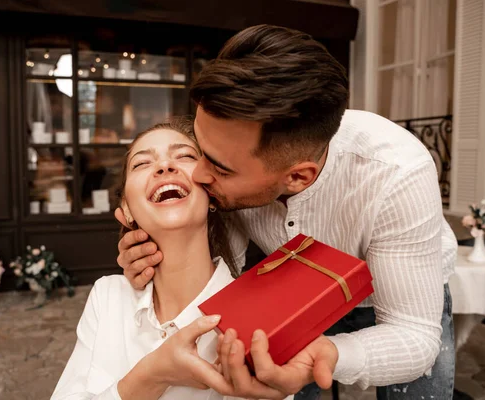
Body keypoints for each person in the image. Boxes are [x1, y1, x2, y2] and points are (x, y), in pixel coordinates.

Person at [115, 24, 458, 399]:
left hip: (397, 290)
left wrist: (328, 353)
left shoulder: (397, 174)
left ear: (297, 177)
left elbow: (414, 333)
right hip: (285, 288)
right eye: (198, 148)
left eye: (220, 168)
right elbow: (219, 270)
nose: (197, 174)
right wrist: (154, 258)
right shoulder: (227, 155)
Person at [51, 118, 295, 400]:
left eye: (185, 156)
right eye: (142, 163)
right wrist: (151, 375)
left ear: (212, 194)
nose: (165, 167)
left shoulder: (257, 323)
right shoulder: (107, 296)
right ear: (126, 210)